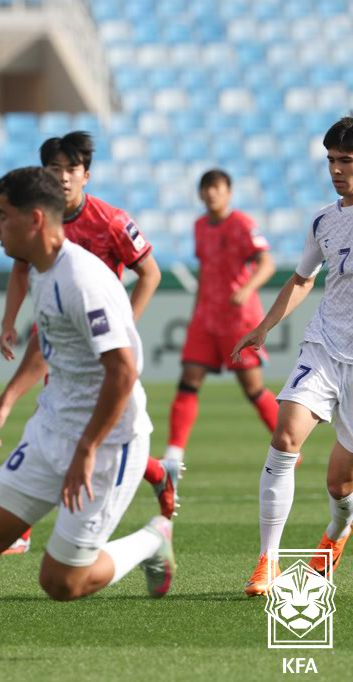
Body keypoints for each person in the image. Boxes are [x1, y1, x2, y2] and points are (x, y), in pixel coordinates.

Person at [0, 167, 174, 666]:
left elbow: (124, 371)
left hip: (109, 443)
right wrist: (5, 402)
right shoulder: (42, 269)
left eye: (2, 215)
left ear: (35, 219)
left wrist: (87, 447)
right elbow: (48, 342)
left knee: (61, 582)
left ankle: (153, 539)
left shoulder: (84, 279)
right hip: (52, 429)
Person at [0, 132, 171, 555]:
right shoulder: (30, 221)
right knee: (56, 416)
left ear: (86, 175)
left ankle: (155, 479)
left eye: (71, 169)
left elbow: (151, 273)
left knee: (90, 424)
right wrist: (9, 321)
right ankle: (22, 523)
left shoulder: (111, 221)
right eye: (55, 169)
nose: (63, 177)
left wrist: (123, 326)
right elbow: (20, 269)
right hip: (58, 331)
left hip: (98, 340)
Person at [236, 116, 353, 595]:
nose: (336, 170)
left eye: (346, 161)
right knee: (285, 438)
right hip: (324, 345)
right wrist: (264, 326)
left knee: (340, 486)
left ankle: (337, 532)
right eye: (331, 161)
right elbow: (303, 279)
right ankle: (268, 562)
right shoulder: (324, 220)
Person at [164, 169, 277, 463]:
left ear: (229, 193)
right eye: (207, 188)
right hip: (206, 317)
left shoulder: (242, 224)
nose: (211, 193)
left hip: (238, 319)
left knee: (253, 388)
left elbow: (267, 263)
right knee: (188, 380)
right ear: (200, 194)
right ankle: (173, 455)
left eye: (217, 187)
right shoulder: (200, 226)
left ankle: (288, 444)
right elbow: (205, 271)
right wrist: (195, 313)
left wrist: (247, 288)